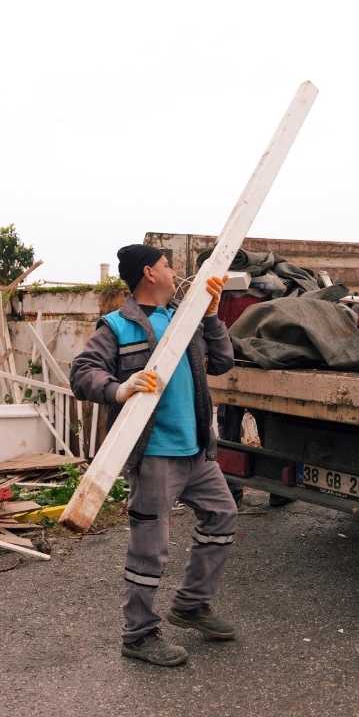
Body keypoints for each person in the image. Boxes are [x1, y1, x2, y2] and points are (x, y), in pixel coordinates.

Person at [70, 244, 237, 667]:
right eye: (167, 264)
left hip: (197, 452)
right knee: (150, 549)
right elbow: (83, 371)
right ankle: (139, 635)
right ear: (149, 272)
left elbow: (222, 362)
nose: (174, 270)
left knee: (222, 515)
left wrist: (213, 316)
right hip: (155, 457)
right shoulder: (118, 326)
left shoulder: (185, 319)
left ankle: (192, 605)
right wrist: (118, 388)